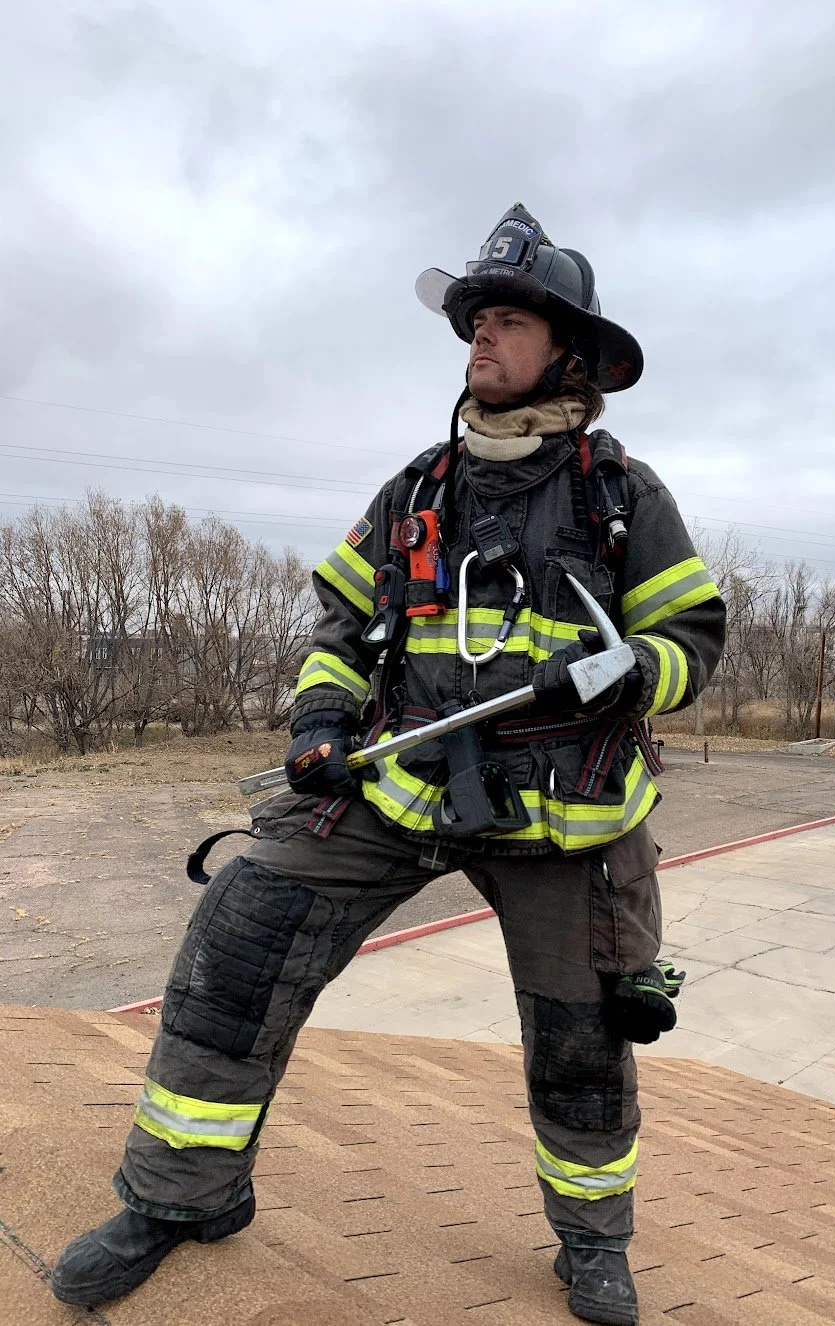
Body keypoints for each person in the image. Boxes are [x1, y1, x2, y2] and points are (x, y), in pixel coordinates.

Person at [52, 204, 725, 1326]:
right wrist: (318, 726)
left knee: (582, 1044)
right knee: (240, 940)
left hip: (567, 813)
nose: (479, 342)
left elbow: (691, 643)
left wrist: (604, 678)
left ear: (566, 350)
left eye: (506, 322)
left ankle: (592, 1243)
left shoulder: (624, 495)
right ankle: (182, 1196)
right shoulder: (416, 489)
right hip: (401, 783)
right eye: (474, 323)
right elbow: (340, 625)